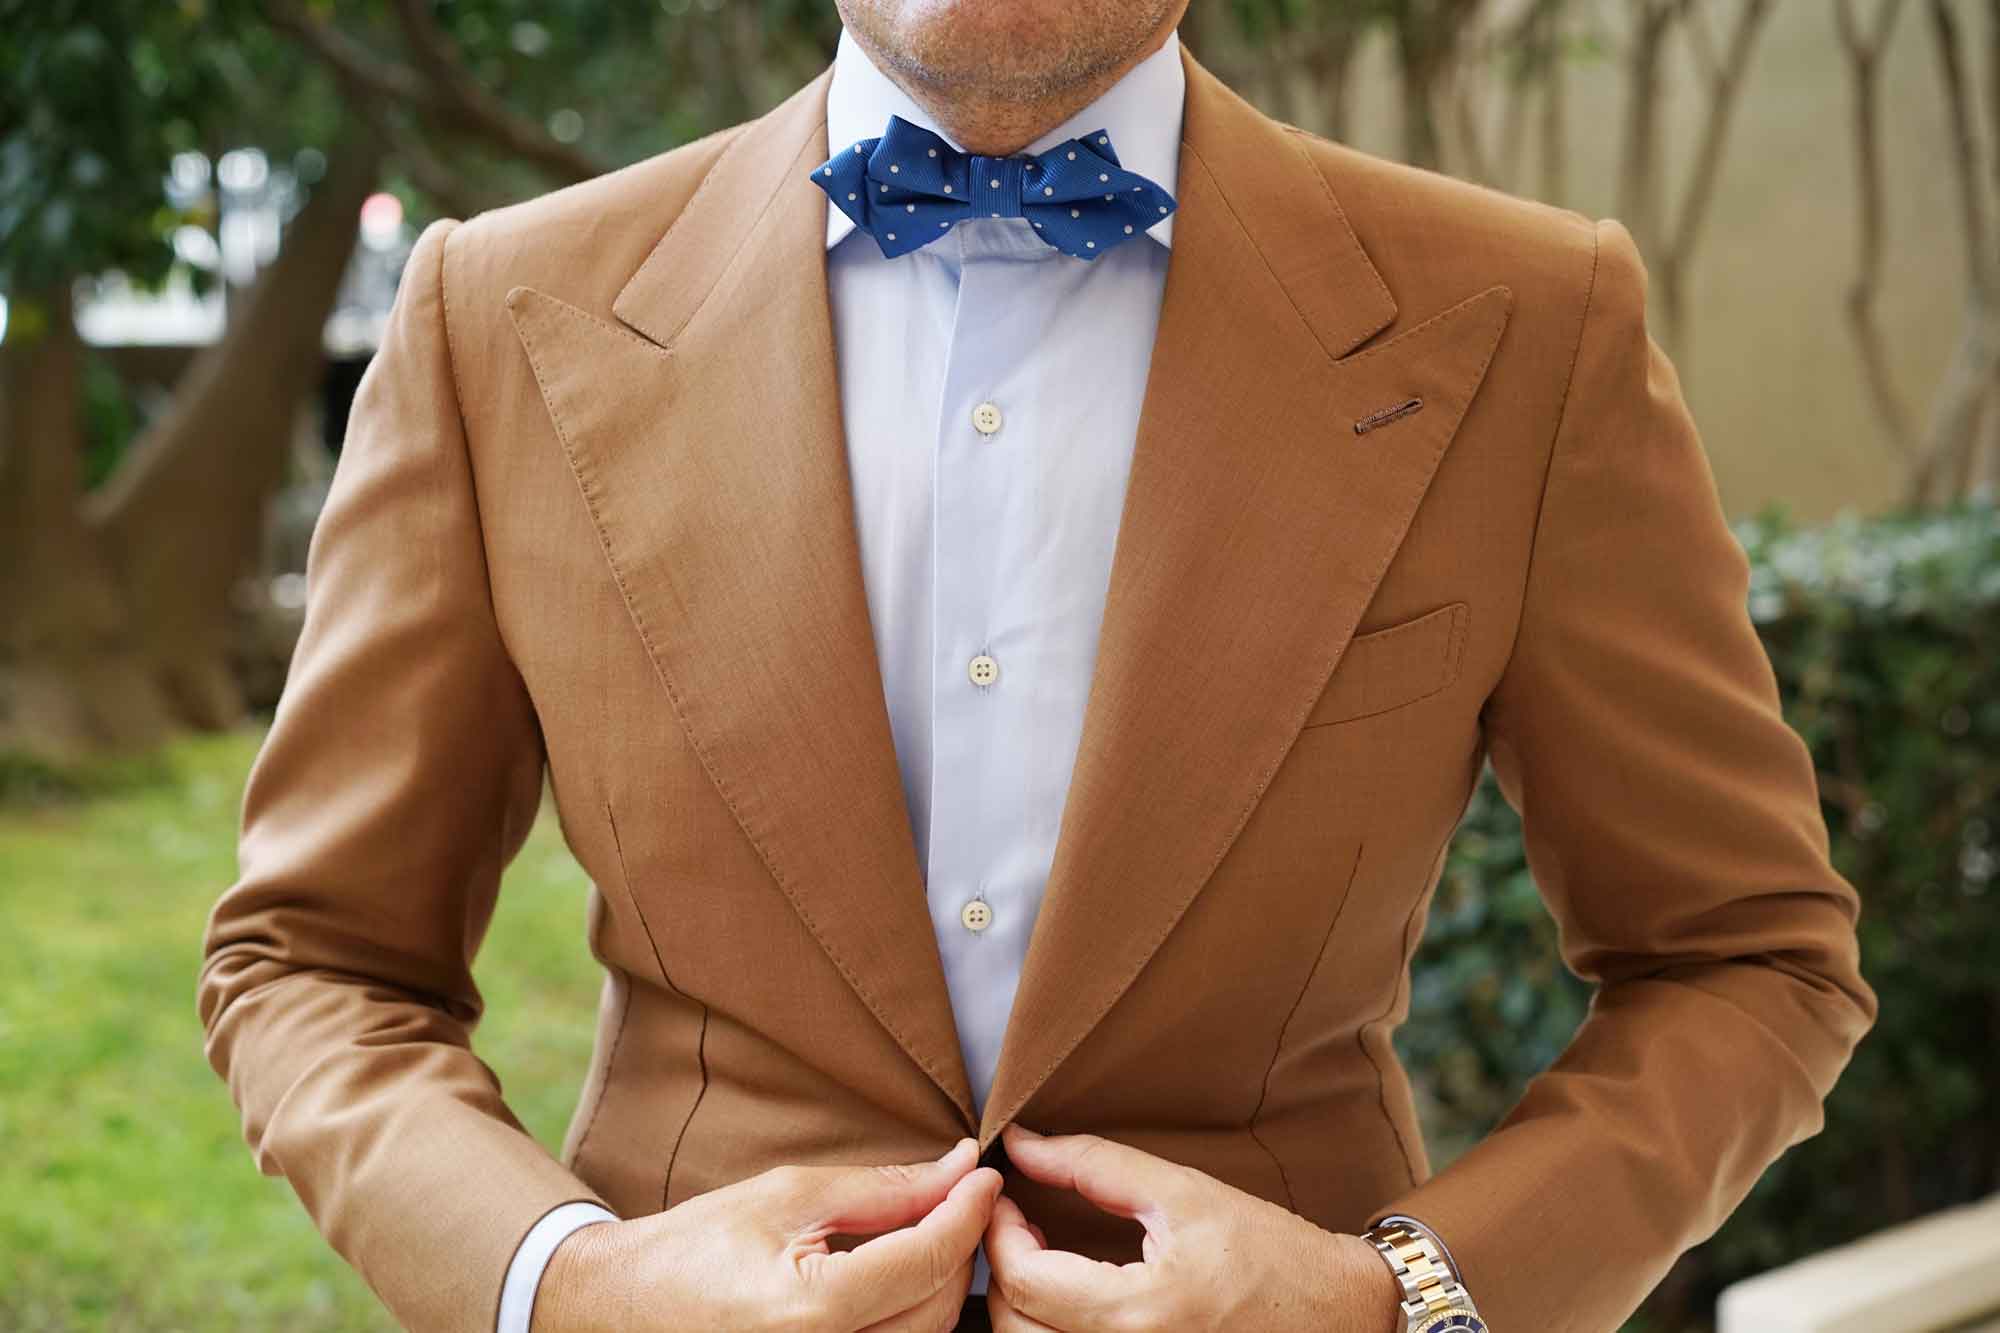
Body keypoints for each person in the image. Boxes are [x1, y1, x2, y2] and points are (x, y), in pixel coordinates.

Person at [196, 1, 1879, 1330]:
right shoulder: (496, 317)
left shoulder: (1528, 321)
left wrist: (1405, 1297)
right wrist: (566, 1284)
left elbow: (1747, 959)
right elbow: (314, 961)